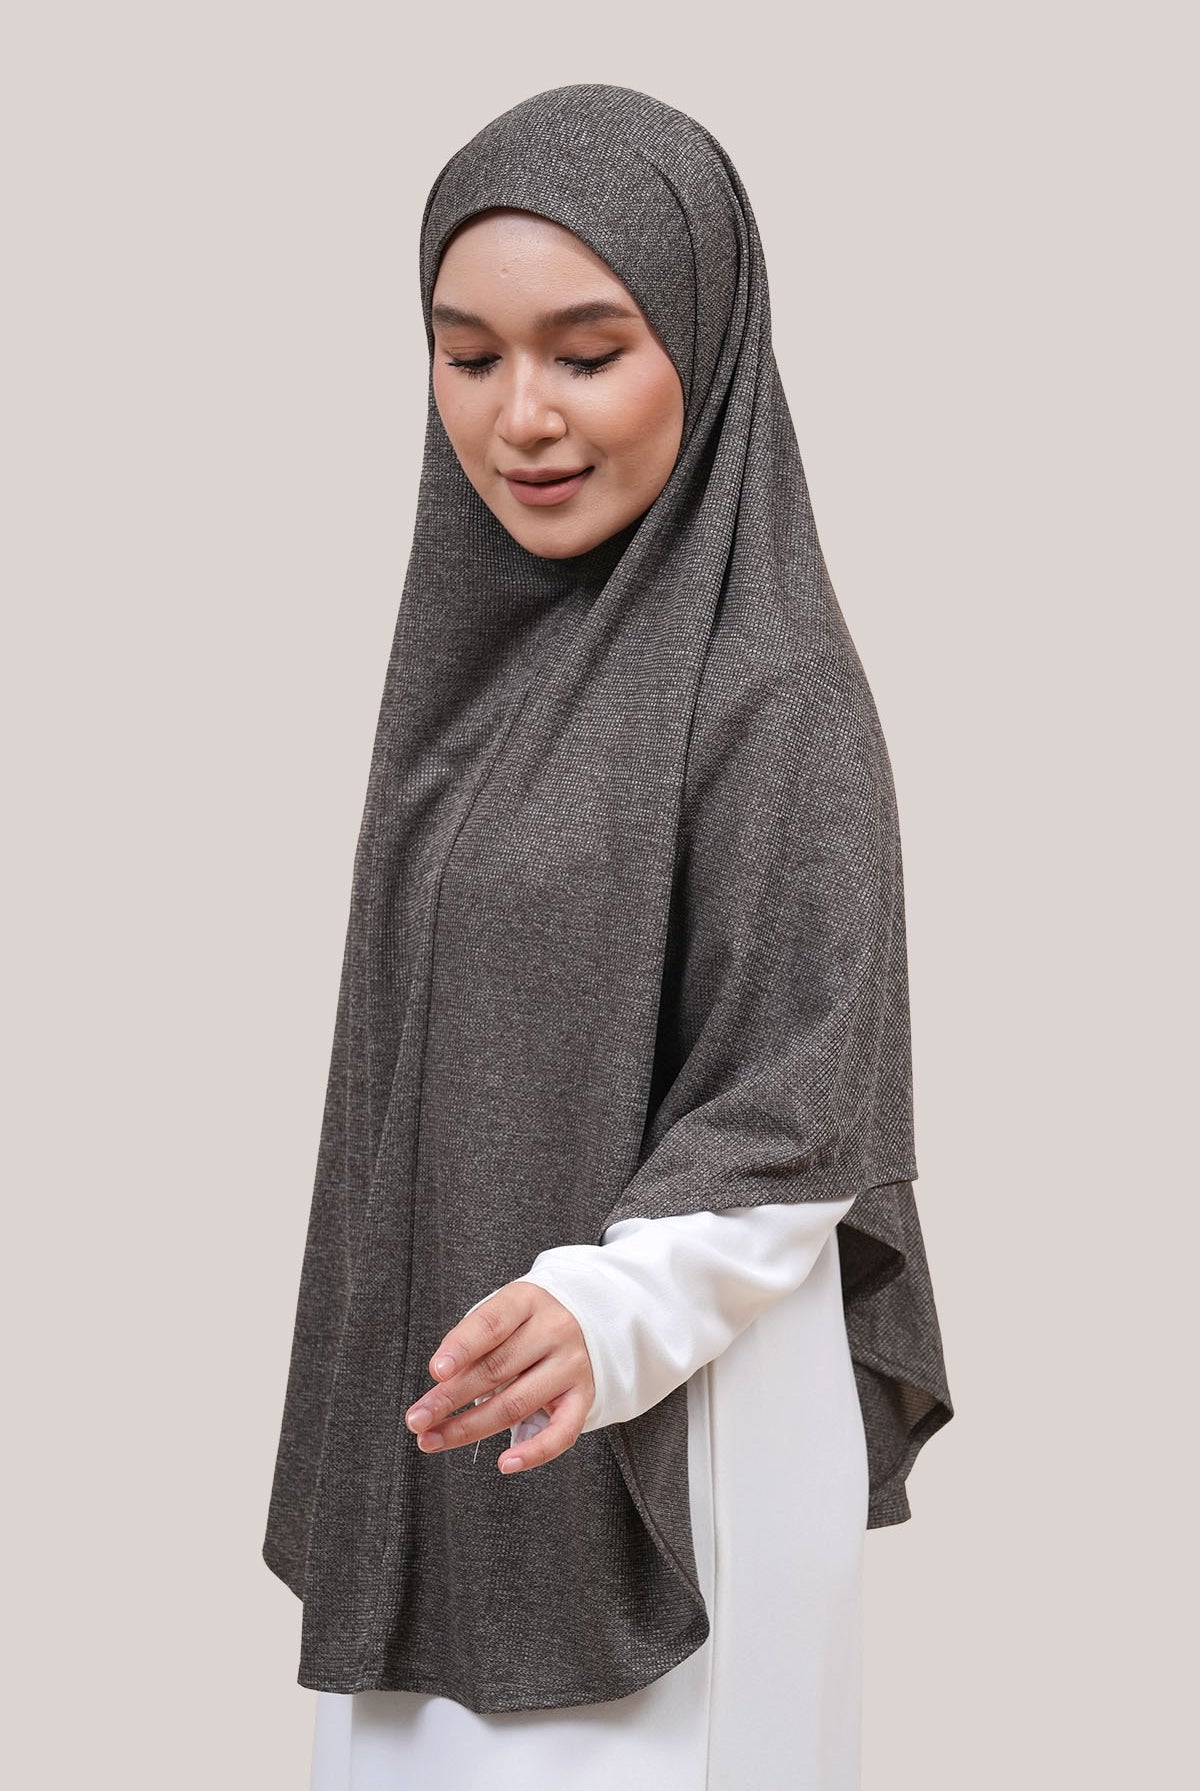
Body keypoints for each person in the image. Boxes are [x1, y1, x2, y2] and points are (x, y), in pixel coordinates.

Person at [263, 83, 954, 1791]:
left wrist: (610, 1309)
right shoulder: (470, 678)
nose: (522, 418)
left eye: (588, 352)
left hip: (679, 1431)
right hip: (457, 1418)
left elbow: (804, 1097)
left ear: (704, 347)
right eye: (468, 355)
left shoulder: (772, 694)